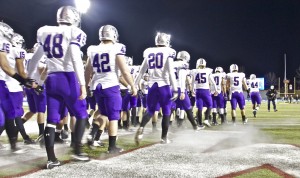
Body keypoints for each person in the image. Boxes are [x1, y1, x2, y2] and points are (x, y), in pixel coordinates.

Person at [27, 6, 90, 169]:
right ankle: (77, 150)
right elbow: (76, 58)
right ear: (74, 18)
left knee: (52, 120)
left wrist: (30, 79)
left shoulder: (45, 32)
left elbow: (34, 60)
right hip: (67, 77)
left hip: (51, 79)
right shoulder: (74, 32)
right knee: (82, 114)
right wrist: (82, 84)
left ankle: (51, 159)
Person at [85, 25, 137, 153]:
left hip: (97, 86)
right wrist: (132, 86)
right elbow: (124, 71)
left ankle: (92, 132)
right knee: (113, 117)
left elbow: (88, 70)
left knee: (103, 114)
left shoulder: (92, 49)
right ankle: (112, 147)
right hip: (111, 85)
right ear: (113, 35)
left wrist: (86, 85)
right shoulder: (116, 47)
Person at [134, 32, 178, 145]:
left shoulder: (149, 51)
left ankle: (141, 128)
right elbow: (171, 72)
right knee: (166, 111)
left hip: (152, 86)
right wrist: (175, 88)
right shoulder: (168, 52)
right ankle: (164, 138)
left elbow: (141, 71)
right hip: (164, 85)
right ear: (166, 41)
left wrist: (134, 84)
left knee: (150, 110)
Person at [0, 22, 36, 152]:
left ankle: (14, 146)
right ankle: (17, 144)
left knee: (8, 115)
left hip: (5, 84)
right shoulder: (15, 49)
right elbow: (7, 67)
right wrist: (24, 80)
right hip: (9, 85)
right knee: (7, 116)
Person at [190, 58, 217, 128]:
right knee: (210, 105)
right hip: (206, 90)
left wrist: (192, 90)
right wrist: (216, 89)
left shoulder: (194, 71)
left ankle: (200, 124)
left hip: (198, 91)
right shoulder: (208, 70)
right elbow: (212, 81)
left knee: (199, 108)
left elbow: (192, 82)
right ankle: (206, 119)